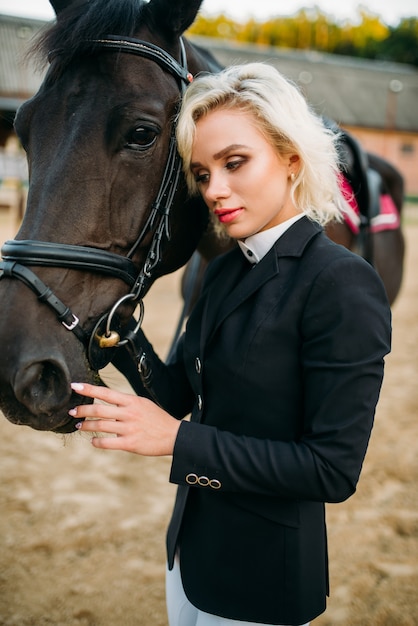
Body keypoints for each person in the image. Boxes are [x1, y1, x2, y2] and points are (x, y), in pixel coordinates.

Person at [69, 63, 391, 626]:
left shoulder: (341, 283)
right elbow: (177, 395)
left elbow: (331, 470)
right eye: (201, 172)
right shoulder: (219, 273)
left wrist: (177, 441)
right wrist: (121, 331)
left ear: (291, 158)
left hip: (262, 578)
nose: (215, 190)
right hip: (189, 553)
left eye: (234, 163)